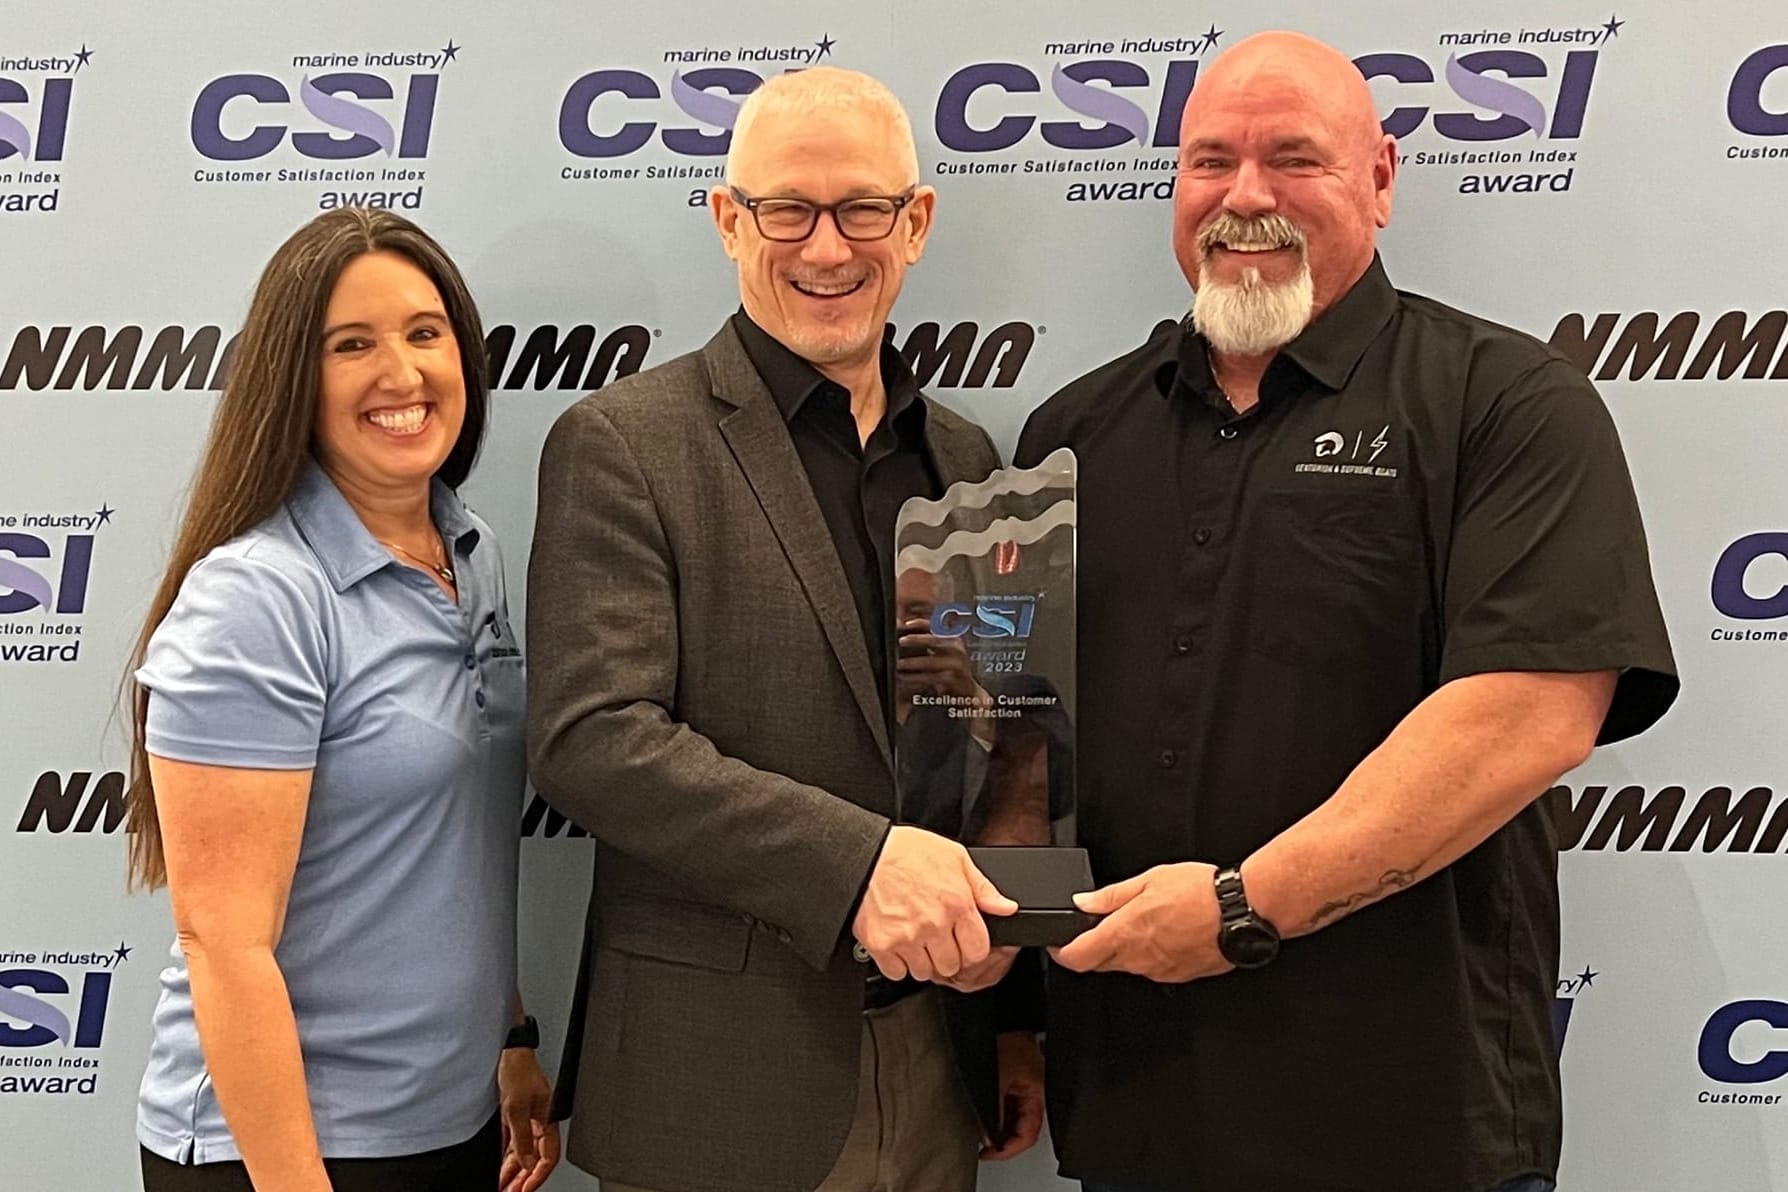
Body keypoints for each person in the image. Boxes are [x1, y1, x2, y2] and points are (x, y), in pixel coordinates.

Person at [1015, 30, 1679, 1192]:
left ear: (1381, 177)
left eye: (1294, 159)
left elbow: (1531, 713)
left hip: (1407, 1118)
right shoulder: (1071, 436)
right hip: (1139, 1114)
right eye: (1210, 161)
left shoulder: (1508, 405)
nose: (1245, 197)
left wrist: (1237, 908)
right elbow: (1019, 752)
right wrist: (1010, 1013)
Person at [527, 67, 1043, 1192]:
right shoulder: (625, 443)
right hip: (714, 1082)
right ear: (727, 219)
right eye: (786, 210)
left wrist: (1013, 995)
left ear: (915, 223)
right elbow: (592, 736)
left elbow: (1001, 739)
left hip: (935, 1071)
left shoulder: (967, 462)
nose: (826, 248)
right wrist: (859, 866)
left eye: (863, 208)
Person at [124, 208, 559, 1192]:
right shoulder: (259, 595)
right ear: (293, 379)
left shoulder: (470, 553)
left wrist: (511, 1034)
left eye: (424, 332)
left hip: (448, 1126)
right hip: (286, 1151)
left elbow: (442, 849)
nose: (400, 374)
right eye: (350, 344)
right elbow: (222, 944)